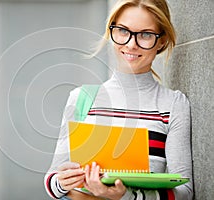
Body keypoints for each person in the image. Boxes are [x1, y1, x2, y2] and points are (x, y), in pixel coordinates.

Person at [44, 0, 193, 199]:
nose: (131, 44)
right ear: (111, 32)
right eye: (123, 31)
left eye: (146, 35)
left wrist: (124, 196)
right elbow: (52, 179)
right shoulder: (81, 98)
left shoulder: (173, 104)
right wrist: (61, 183)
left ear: (162, 41)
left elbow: (185, 192)